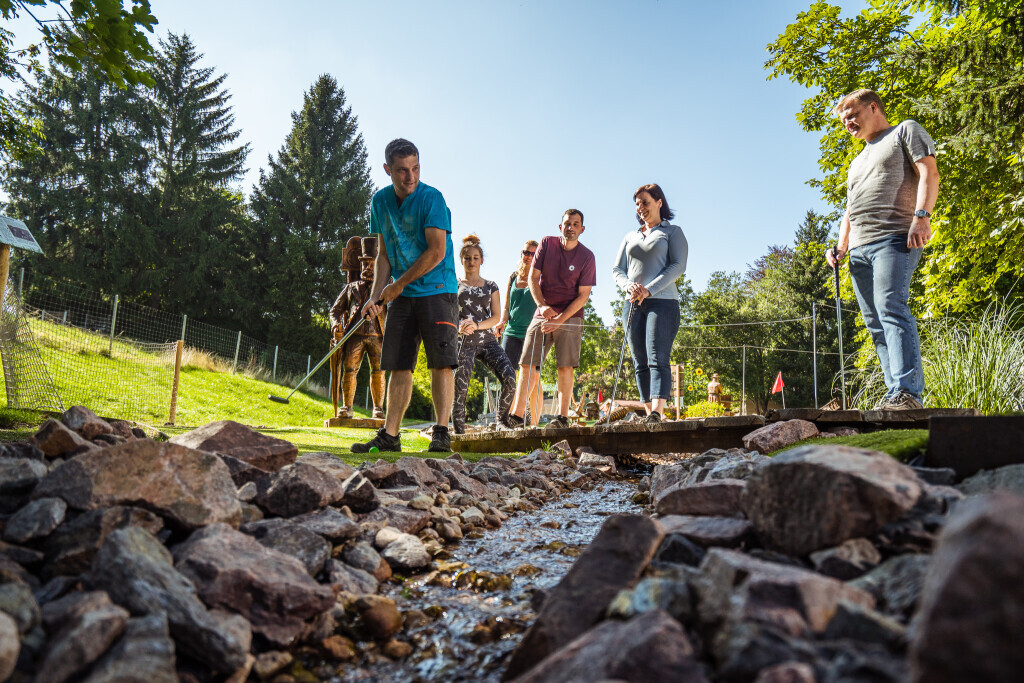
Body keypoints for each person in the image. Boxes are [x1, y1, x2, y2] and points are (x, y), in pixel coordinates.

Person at [827, 89, 939, 410]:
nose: (847, 122)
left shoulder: (905, 131)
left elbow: (928, 172)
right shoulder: (856, 162)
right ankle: (894, 394)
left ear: (873, 107)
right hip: (859, 252)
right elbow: (850, 209)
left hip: (894, 237)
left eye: (852, 114)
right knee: (874, 321)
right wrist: (840, 246)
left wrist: (921, 216)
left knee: (891, 306)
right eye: (843, 119)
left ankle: (908, 393)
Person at [352, 138, 458, 453]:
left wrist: (397, 286)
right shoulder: (379, 202)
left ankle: (441, 431)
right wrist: (375, 296)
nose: (409, 176)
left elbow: (437, 252)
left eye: (415, 168)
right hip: (402, 293)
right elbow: (384, 254)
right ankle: (390, 435)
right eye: (401, 170)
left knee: (441, 363)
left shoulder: (432, 199)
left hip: (438, 288)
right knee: (399, 364)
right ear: (388, 170)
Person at [507, 209, 596, 430]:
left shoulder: (587, 256)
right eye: (567, 223)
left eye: (576, 224)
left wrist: (561, 319)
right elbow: (533, 278)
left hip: (571, 315)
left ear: (582, 229)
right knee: (527, 362)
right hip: (543, 312)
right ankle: (517, 417)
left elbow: (583, 295)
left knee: (565, 366)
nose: (571, 227)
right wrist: (542, 306)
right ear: (560, 226)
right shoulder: (547, 244)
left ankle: (562, 417)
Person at [611, 183, 688, 424]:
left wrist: (649, 289)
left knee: (657, 357)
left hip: (662, 303)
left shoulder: (672, 232)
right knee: (639, 361)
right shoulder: (630, 236)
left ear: (659, 202)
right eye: (637, 204)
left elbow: (678, 266)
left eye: (645, 202)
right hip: (632, 304)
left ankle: (658, 412)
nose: (640, 208)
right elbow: (617, 270)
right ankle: (648, 414)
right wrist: (629, 286)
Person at [452, 234, 517, 433]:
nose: (471, 261)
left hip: (488, 341)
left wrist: (476, 324)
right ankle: (459, 433)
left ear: (481, 260)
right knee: (460, 389)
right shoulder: (454, 284)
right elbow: (449, 314)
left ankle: (502, 422)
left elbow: (497, 316)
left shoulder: (491, 286)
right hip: (464, 342)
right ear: (462, 260)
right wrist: (460, 324)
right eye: (467, 258)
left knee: (510, 378)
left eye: (475, 258)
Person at [329, 236, 386, 419]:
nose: (366, 268)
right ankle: (347, 407)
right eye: (364, 265)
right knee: (349, 369)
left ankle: (378, 408)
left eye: (371, 265)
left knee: (378, 370)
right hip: (354, 335)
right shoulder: (351, 287)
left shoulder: (386, 289)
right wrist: (336, 325)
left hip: (378, 335)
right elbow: (335, 311)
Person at [496, 239, 540, 424]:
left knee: (533, 378)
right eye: (526, 252)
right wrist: (501, 321)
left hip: (534, 332)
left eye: (533, 253)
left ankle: (534, 424)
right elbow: (506, 307)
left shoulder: (540, 277)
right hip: (512, 332)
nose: (529, 256)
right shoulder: (513, 276)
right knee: (508, 376)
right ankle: (507, 419)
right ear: (521, 254)